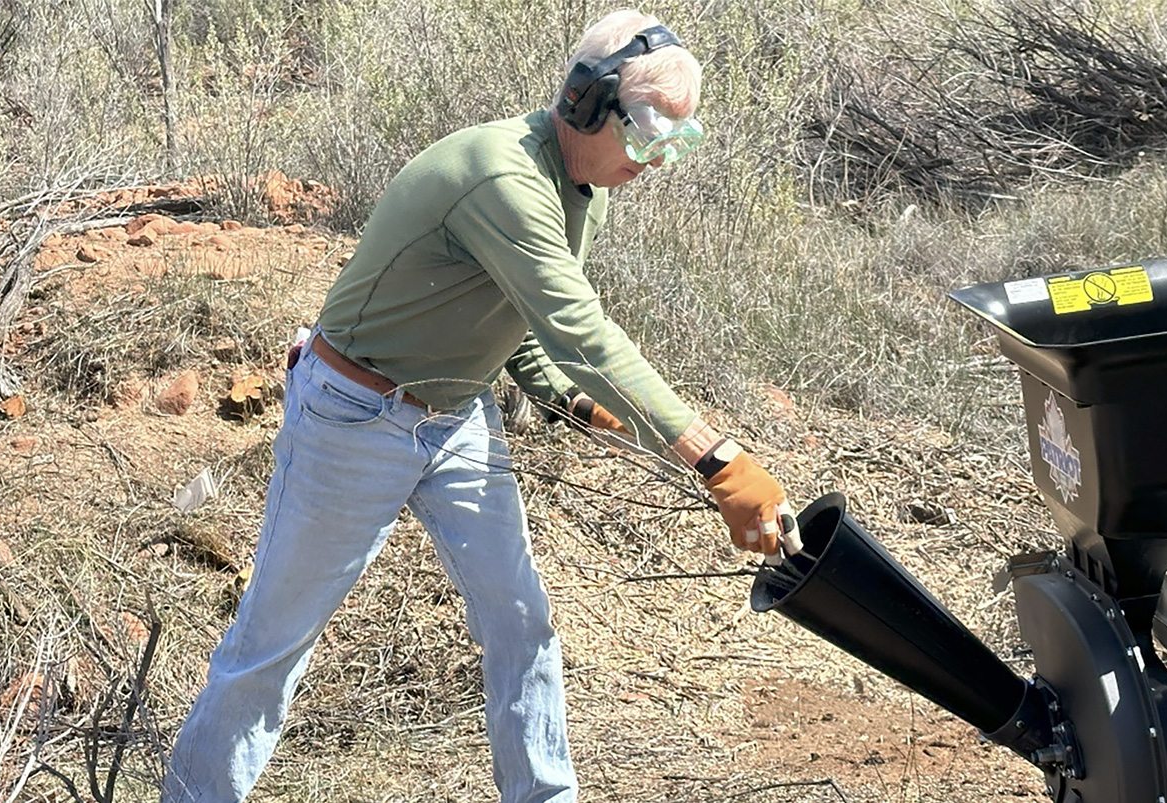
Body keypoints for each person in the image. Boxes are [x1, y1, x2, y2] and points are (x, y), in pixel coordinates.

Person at [162, 9, 799, 803]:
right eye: (644, 135)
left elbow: (523, 311)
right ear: (585, 103)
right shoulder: (504, 175)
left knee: (520, 621)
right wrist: (717, 458)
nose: (657, 160)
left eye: (677, 141)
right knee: (272, 644)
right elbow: (582, 329)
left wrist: (555, 391)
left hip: (457, 416)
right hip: (356, 414)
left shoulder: (581, 181)